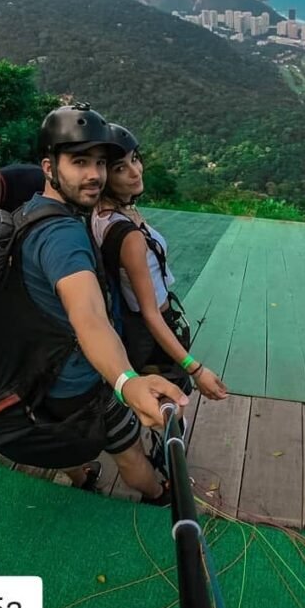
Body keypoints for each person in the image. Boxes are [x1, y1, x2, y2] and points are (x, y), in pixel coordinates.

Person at [0, 104, 187, 504]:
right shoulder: (62, 238)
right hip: (80, 379)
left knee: (61, 430)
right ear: (49, 167)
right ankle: (158, 492)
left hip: (40, 372)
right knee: (129, 451)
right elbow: (89, 318)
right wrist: (126, 382)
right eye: (80, 162)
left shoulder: (31, 210)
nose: (94, 175)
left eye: (100, 163)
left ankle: (82, 474)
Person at [92, 123, 228, 409]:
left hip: (140, 327)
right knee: (173, 404)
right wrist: (196, 369)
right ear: (104, 176)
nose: (135, 171)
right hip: (152, 333)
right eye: (120, 168)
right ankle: (167, 453)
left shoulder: (104, 214)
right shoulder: (128, 236)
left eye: (135, 159)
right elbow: (151, 313)